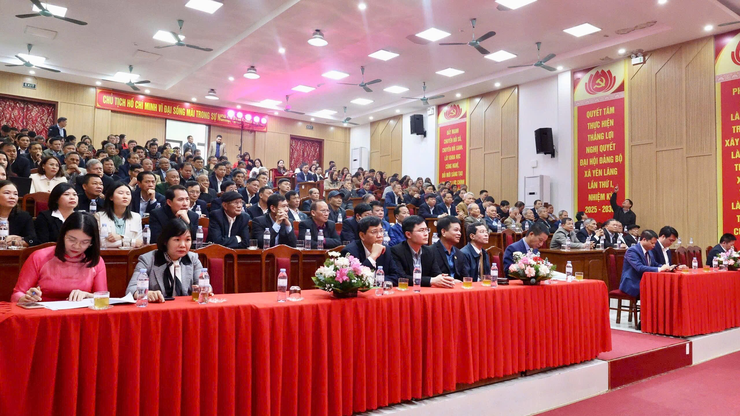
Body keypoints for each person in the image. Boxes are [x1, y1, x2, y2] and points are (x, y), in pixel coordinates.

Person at [13, 212, 107, 303]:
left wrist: (88, 296)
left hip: (79, 311)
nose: (76, 246)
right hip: (43, 311)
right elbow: (16, 295)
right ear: (63, 235)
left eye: (85, 242)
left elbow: (103, 299)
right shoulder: (39, 257)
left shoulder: (96, 261)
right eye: (71, 239)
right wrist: (27, 298)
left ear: (92, 242)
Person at [126, 218, 204, 302]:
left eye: (187, 240)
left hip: (186, 308)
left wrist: (204, 289)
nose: (182, 245)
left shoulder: (193, 259)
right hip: (158, 308)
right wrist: (146, 294)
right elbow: (131, 289)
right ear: (165, 241)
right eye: (177, 240)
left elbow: (204, 285)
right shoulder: (148, 260)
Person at [619, 229, 673, 329]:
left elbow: (654, 264)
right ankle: (645, 321)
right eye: (652, 243)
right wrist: (659, 269)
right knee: (654, 291)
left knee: (663, 289)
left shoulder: (649, 251)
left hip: (645, 282)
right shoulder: (632, 251)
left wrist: (667, 267)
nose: (654, 246)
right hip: (632, 283)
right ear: (644, 240)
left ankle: (659, 320)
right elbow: (639, 268)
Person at [389, 215, 452, 287]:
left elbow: (436, 274)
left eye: (426, 230)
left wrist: (444, 279)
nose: (426, 234)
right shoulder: (396, 251)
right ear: (408, 234)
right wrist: (431, 280)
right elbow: (401, 277)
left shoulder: (429, 251)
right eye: (421, 230)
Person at [340, 216, 401, 281]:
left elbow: (397, 276)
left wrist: (376, 280)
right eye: (374, 232)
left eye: (381, 231)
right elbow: (356, 279)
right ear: (362, 236)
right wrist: (373, 256)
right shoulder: (350, 251)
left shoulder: (386, 249)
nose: (380, 235)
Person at [95, 182, 143, 248]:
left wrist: (121, 237)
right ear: (111, 197)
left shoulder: (136, 217)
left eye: (128, 194)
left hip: (131, 254)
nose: (125, 196)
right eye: (121, 193)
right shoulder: (99, 216)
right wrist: (128, 241)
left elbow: (139, 243)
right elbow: (101, 243)